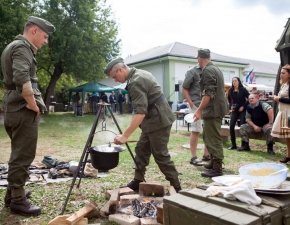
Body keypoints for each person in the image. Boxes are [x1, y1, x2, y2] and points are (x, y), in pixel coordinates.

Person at [1, 16, 55, 216]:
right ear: (34, 31)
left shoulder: (13, 46)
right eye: (45, 36)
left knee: (18, 154)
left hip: (14, 107)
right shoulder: (23, 47)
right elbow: (23, 80)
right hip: (23, 109)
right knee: (23, 156)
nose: (45, 41)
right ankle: (17, 201)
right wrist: (34, 106)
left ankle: (12, 194)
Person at [104, 57, 181, 192]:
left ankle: (177, 187)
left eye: (114, 76)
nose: (115, 80)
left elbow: (140, 112)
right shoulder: (140, 73)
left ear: (121, 70)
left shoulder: (136, 81)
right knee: (141, 150)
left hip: (158, 120)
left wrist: (125, 135)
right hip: (153, 119)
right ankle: (137, 180)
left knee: (160, 154)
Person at [193, 49, 228, 177]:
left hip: (213, 110)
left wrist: (199, 110)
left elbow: (208, 93)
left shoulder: (208, 70)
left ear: (199, 58)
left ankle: (217, 168)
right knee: (208, 136)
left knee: (213, 138)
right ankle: (213, 162)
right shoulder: (215, 68)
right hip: (215, 108)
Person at [182, 65, 210, 165]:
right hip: (196, 105)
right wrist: (190, 102)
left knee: (208, 130)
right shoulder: (192, 71)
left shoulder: (210, 70)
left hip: (208, 105)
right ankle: (193, 157)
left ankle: (206, 155)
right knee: (196, 130)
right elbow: (184, 88)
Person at [271, 64, 290, 162]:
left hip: (289, 113)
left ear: (289, 74)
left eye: (283, 73)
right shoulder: (284, 85)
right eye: (281, 73)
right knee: (288, 137)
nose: (281, 75)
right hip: (284, 113)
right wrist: (276, 98)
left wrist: (279, 98)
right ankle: (289, 155)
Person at [227, 77, 249, 149]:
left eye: (235, 81)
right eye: (233, 81)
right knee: (231, 126)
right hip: (234, 111)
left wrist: (243, 106)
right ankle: (233, 145)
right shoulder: (230, 90)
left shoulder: (243, 89)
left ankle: (244, 145)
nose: (234, 82)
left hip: (242, 110)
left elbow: (249, 98)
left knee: (242, 126)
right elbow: (229, 100)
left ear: (239, 82)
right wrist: (231, 107)